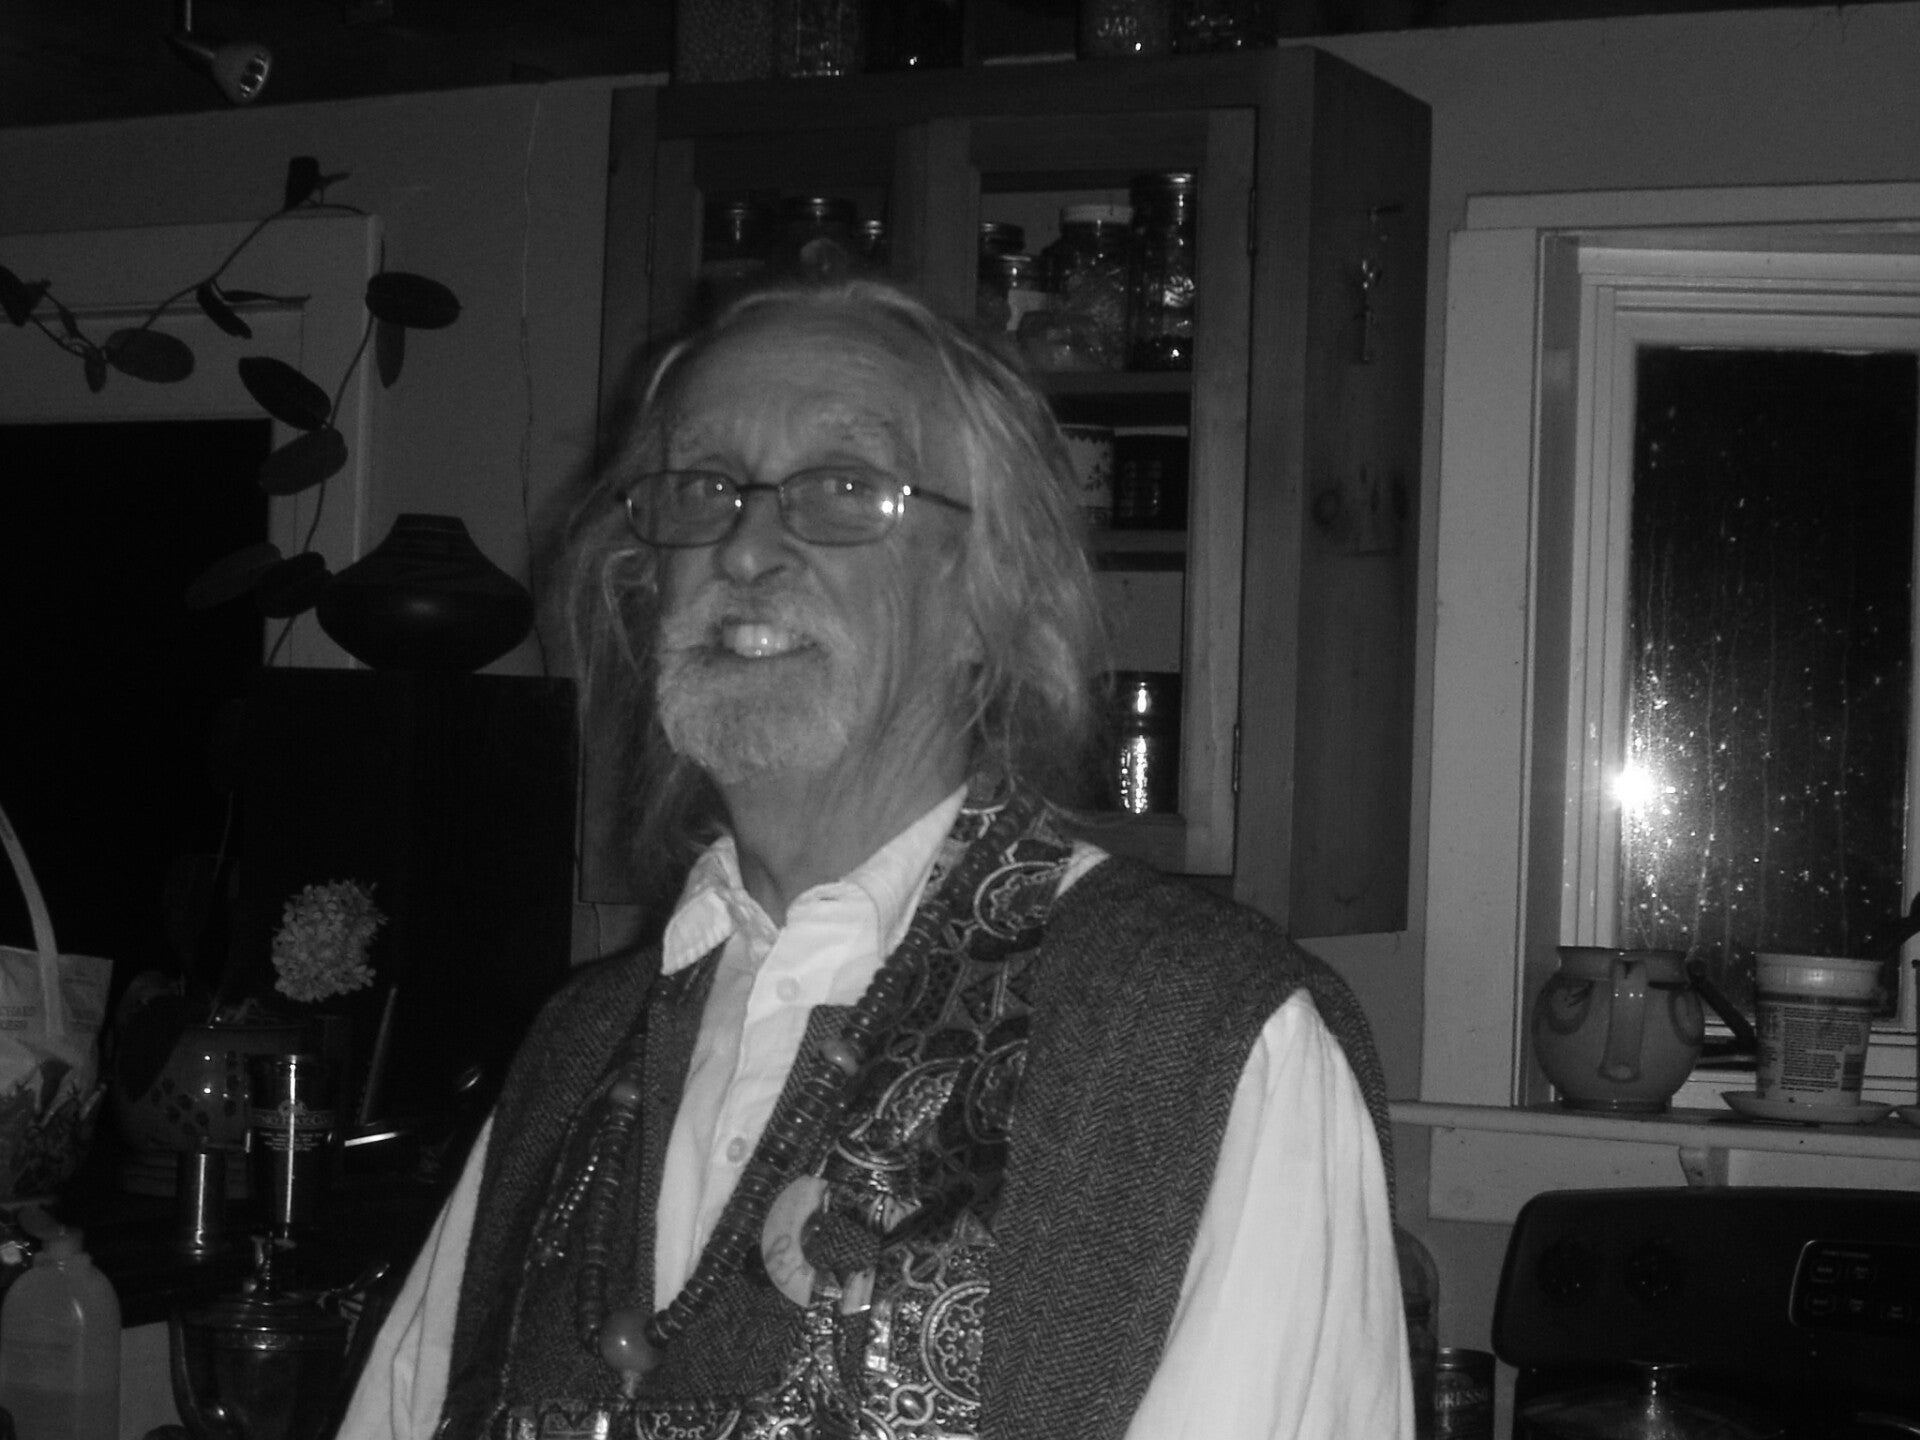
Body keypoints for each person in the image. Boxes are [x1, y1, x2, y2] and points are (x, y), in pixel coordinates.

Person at [337, 278, 1409, 1440]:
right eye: (703, 486)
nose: (747, 546)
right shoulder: (574, 1054)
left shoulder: (1203, 1041)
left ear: (993, 597)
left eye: (846, 488)